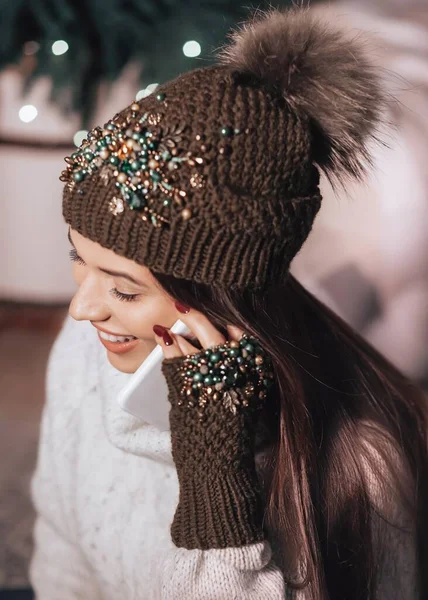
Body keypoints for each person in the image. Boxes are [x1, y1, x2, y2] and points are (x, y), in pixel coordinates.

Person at [29, 7, 428, 600]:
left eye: (125, 289)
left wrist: (215, 485)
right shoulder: (84, 355)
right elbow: (60, 548)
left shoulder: (366, 467)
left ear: (223, 295)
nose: (82, 310)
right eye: (79, 259)